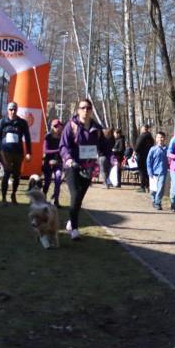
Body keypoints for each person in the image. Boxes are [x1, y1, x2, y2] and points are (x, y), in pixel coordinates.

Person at [59, 98, 104, 241]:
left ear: (91, 111)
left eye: (88, 108)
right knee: (75, 193)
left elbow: (105, 147)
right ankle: (75, 229)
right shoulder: (71, 126)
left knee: (79, 198)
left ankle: (70, 222)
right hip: (72, 166)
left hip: (88, 168)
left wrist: (113, 158)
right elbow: (63, 146)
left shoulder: (97, 128)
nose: (85, 111)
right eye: (82, 108)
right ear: (78, 110)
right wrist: (69, 158)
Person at [0, 101, 33, 205]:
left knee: (17, 175)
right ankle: (3, 198)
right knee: (7, 173)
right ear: (7, 110)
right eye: (10, 109)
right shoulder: (2, 122)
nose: (13, 111)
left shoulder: (22, 122)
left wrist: (29, 152)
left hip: (18, 151)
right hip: (6, 151)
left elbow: (27, 137)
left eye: (14, 109)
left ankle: (13, 194)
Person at [42, 118, 64, 207]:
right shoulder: (47, 137)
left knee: (58, 180)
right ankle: (43, 198)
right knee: (47, 182)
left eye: (59, 126)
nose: (57, 128)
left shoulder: (62, 138)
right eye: (55, 126)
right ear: (51, 127)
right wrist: (57, 150)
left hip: (58, 163)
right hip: (48, 163)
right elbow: (45, 150)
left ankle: (56, 200)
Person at [147, 131, 170, 210]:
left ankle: (157, 203)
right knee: (153, 189)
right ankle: (154, 200)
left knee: (160, 188)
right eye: (158, 137)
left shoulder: (167, 149)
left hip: (163, 172)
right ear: (156, 139)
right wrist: (150, 171)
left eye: (162, 137)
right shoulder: (153, 149)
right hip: (154, 172)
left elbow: (170, 158)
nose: (160, 139)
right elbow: (148, 161)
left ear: (164, 138)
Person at [132, 123, 155, 193]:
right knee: (147, 170)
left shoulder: (142, 136)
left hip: (142, 155)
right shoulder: (150, 137)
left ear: (143, 128)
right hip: (149, 155)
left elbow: (138, 145)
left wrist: (134, 153)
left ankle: (142, 186)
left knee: (142, 171)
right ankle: (147, 186)